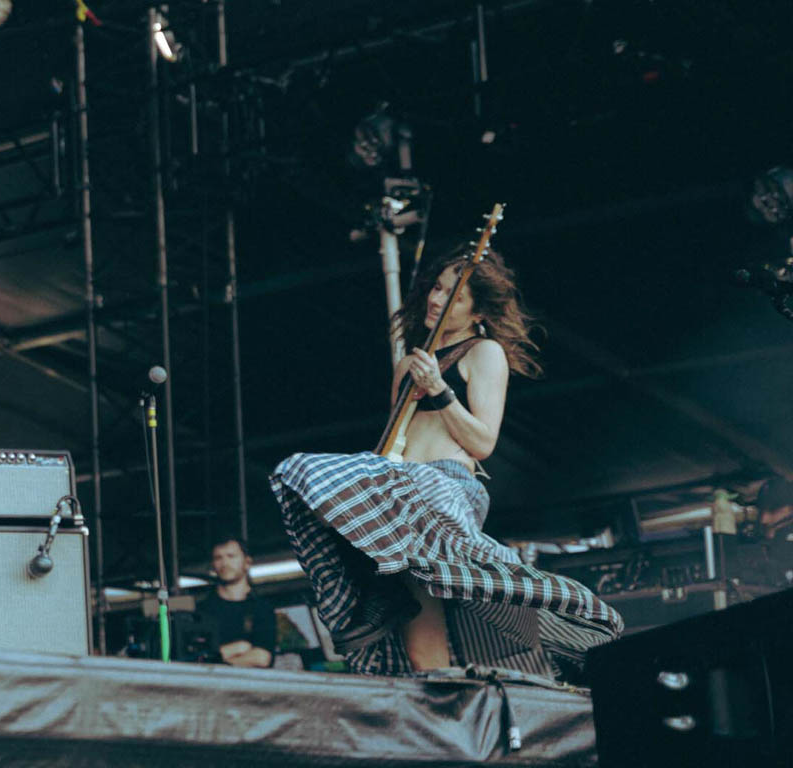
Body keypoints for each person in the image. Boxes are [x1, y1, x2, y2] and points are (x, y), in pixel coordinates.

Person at [270, 248, 623, 681]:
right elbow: (393, 443)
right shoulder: (409, 362)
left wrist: (439, 389)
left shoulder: (484, 352)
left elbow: (483, 442)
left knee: (353, 482)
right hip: (399, 496)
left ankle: (392, 585)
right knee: (423, 656)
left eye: (452, 296)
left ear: (478, 310)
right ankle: (399, 614)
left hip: (445, 488)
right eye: (436, 288)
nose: (436, 299)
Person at [194, 537, 276, 667]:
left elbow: (262, 658)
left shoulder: (262, 609)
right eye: (218, 558)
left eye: (231, 556)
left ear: (247, 562)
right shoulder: (201, 611)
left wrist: (218, 661)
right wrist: (239, 647)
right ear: (213, 565)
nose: (225, 563)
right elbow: (197, 660)